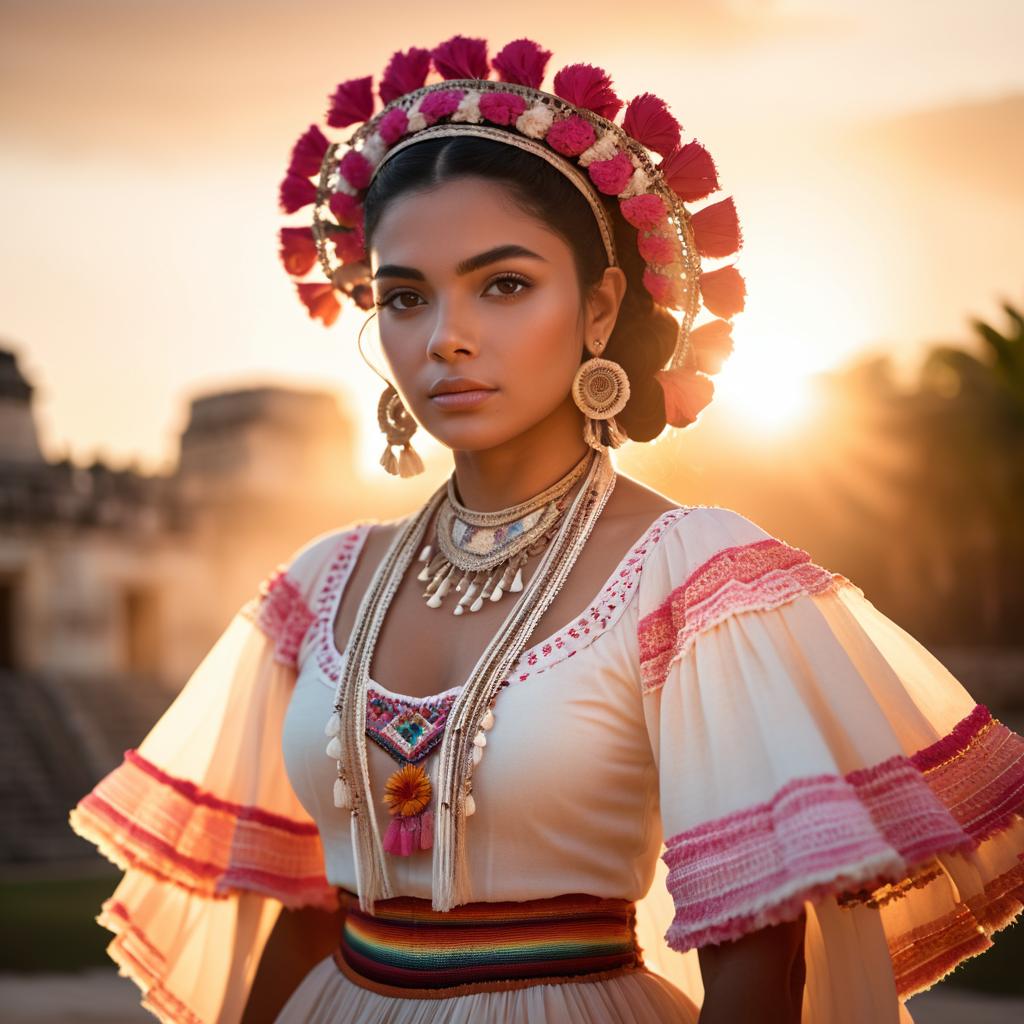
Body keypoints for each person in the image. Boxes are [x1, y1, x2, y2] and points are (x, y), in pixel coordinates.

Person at [69, 34, 1024, 1024]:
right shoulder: (323, 583)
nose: (445, 336)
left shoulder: (690, 579)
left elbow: (759, 968)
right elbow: (308, 913)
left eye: (504, 284)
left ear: (601, 306)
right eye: (404, 296)